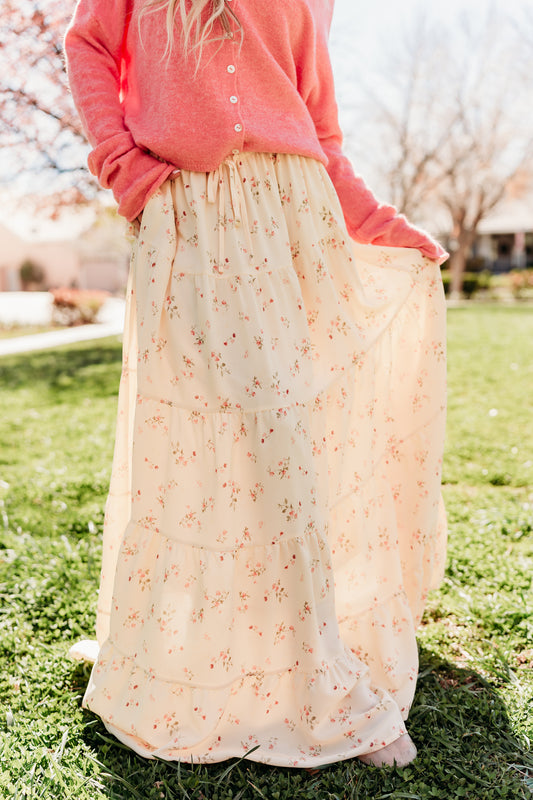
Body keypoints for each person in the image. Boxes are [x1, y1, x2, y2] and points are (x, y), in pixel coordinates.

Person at [64, 0, 448, 769]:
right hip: (193, 217)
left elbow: (318, 126)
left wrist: (378, 220)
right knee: (209, 444)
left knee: (296, 440)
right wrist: (125, 166)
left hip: (297, 219)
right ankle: (203, 657)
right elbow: (88, 46)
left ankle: (314, 668)